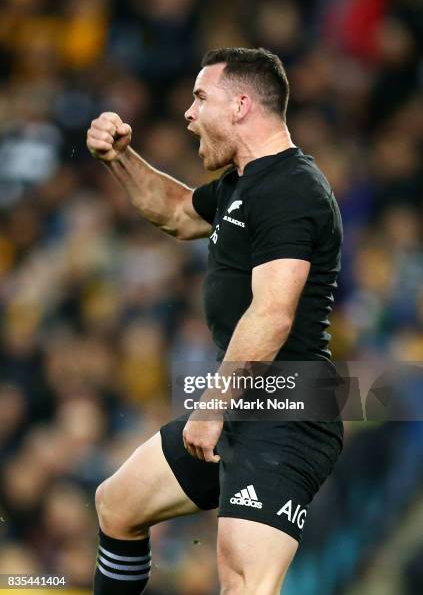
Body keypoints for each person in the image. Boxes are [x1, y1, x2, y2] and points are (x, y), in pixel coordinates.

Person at [87, 47, 343, 595]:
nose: (188, 112)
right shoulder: (243, 184)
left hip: (290, 408)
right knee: (118, 504)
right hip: (251, 399)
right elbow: (177, 213)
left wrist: (212, 407)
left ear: (242, 105)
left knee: (244, 582)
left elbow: (272, 314)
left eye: (201, 98)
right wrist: (119, 158)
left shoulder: (291, 188)